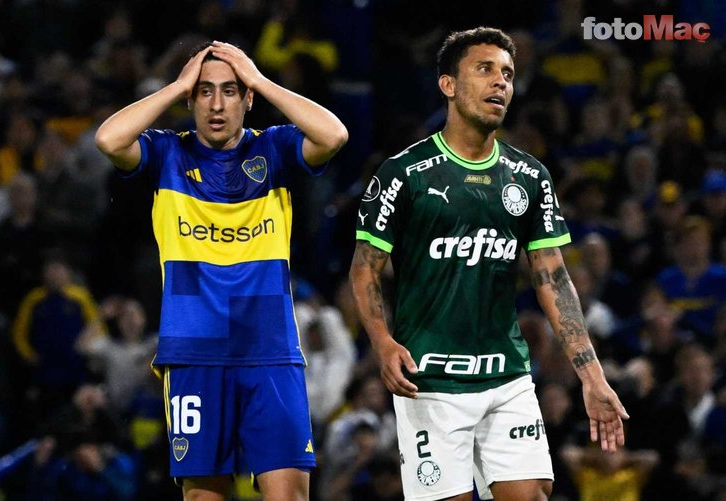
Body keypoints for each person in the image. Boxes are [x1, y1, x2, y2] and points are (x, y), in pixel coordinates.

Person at [349, 27, 627, 501]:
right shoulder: (404, 174)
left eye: (508, 74)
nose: (500, 82)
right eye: (485, 69)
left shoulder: (529, 176)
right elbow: (365, 269)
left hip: (507, 376)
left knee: (532, 495)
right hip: (430, 380)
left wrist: (592, 376)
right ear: (448, 85)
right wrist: (382, 341)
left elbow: (553, 278)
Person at [94, 40, 348, 501]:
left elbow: (333, 136)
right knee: (203, 497)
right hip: (195, 351)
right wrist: (176, 87)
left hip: (269, 347)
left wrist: (261, 80)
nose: (216, 105)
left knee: (289, 496)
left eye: (230, 91)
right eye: (204, 91)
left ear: (247, 99)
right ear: (191, 100)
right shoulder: (168, 153)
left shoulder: (274, 148)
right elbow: (109, 140)